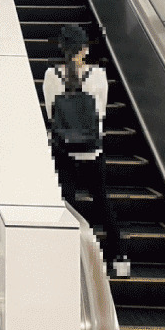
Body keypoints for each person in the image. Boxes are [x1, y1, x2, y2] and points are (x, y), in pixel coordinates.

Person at [43, 24, 130, 278]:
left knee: (68, 204)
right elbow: (100, 112)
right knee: (102, 203)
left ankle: (68, 258)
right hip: (92, 151)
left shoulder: (51, 75)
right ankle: (120, 258)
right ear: (83, 49)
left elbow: (51, 112)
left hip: (63, 151)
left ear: (63, 48)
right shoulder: (97, 75)